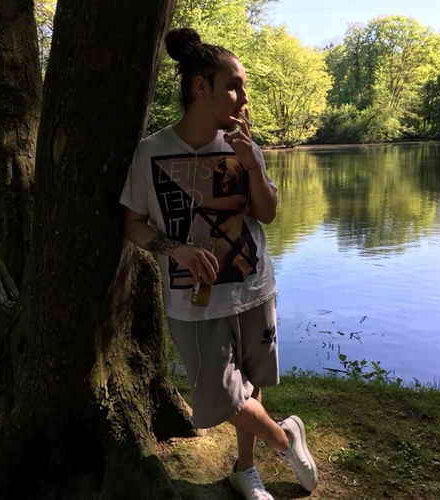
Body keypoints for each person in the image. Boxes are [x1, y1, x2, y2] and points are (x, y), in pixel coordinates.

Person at [120, 27, 318, 500]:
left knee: (253, 381)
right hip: (191, 303)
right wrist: (177, 249)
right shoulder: (150, 152)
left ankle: (244, 470)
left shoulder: (243, 145)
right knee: (219, 397)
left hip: (254, 287)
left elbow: (267, 213)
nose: (243, 98)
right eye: (234, 86)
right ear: (200, 87)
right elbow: (133, 225)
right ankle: (285, 438)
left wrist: (253, 165)